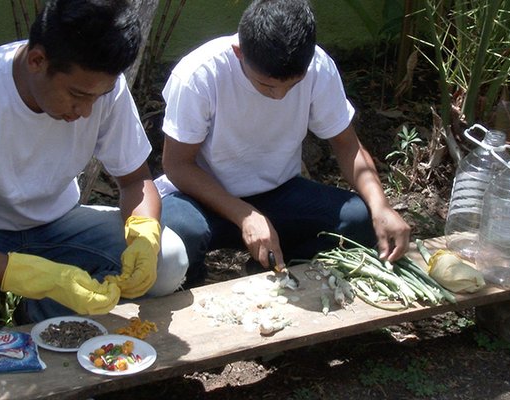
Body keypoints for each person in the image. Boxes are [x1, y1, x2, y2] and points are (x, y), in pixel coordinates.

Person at [0, 0, 188, 347]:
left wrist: (144, 235)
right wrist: (32, 275)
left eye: (99, 96)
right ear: (37, 61)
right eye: (77, 95)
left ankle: (45, 315)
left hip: (58, 223)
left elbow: (135, 181)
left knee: (168, 260)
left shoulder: (99, 87)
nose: (85, 111)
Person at [156, 0, 410, 288]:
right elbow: (177, 166)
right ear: (239, 53)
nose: (279, 97)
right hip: (201, 199)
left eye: (292, 85)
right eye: (266, 86)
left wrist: (381, 207)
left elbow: (347, 145)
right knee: (175, 238)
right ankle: (195, 287)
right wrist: (245, 214)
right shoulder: (199, 75)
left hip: (278, 192)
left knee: (360, 220)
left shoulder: (318, 66)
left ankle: (273, 269)